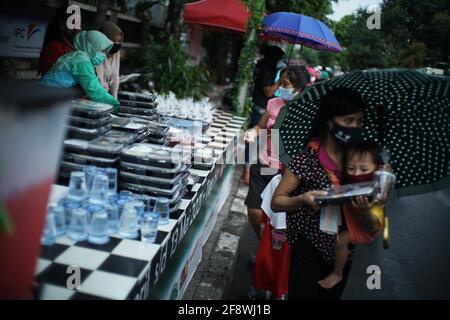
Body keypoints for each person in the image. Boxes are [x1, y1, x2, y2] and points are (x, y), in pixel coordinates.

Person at [271, 87, 365, 300]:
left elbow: (374, 217)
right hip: (308, 250)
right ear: (329, 122)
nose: (355, 128)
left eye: (359, 122)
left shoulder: (362, 160)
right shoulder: (307, 158)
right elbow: (277, 202)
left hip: (343, 254)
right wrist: (302, 199)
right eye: (348, 121)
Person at [245, 66, 309, 239]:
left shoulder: (306, 112)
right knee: (254, 212)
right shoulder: (273, 103)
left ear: (298, 87)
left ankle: (271, 253)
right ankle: (263, 245)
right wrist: (252, 132)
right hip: (263, 164)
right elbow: (260, 126)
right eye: (280, 83)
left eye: (285, 84)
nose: (281, 87)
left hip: (285, 173)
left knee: (278, 223)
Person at [318, 141, 389, 289]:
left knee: (340, 241)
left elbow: (374, 227)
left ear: (377, 169)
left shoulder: (377, 192)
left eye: (364, 169)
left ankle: (337, 273)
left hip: (368, 223)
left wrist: (366, 211)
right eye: (351, 168)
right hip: (352, 216)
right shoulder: (346, 177)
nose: (356, 173)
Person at [41, 30, 119, 108]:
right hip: (46, 99)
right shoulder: (81, 60)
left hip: (46, 95)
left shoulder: (76, 56)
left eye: (105, 51)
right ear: (91, 47)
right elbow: (95, 91)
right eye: (102, 51)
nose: (104, 55)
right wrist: (115, 105)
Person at [242, 45, 285, 185]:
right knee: (254, 142)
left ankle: (250, 171)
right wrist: (281, 81)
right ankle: (247, 172)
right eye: (279, 58)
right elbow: (268, 92)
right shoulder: (266, 69)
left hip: (260, 107)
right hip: (260, 109)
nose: (280, 61)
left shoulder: (267, 67)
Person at [38, 2, 80, 76]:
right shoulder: (54, 47)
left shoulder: (69, 45)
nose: (78, 28)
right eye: (74, 23)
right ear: (62, 24)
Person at [96, 21, 123, 99]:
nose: (117, 44)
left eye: (119, 41)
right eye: (114, 41)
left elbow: (115, 77)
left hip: (106, 95)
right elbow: (99, 79)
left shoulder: (116, 53)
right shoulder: (97, 52)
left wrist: (114, 99)